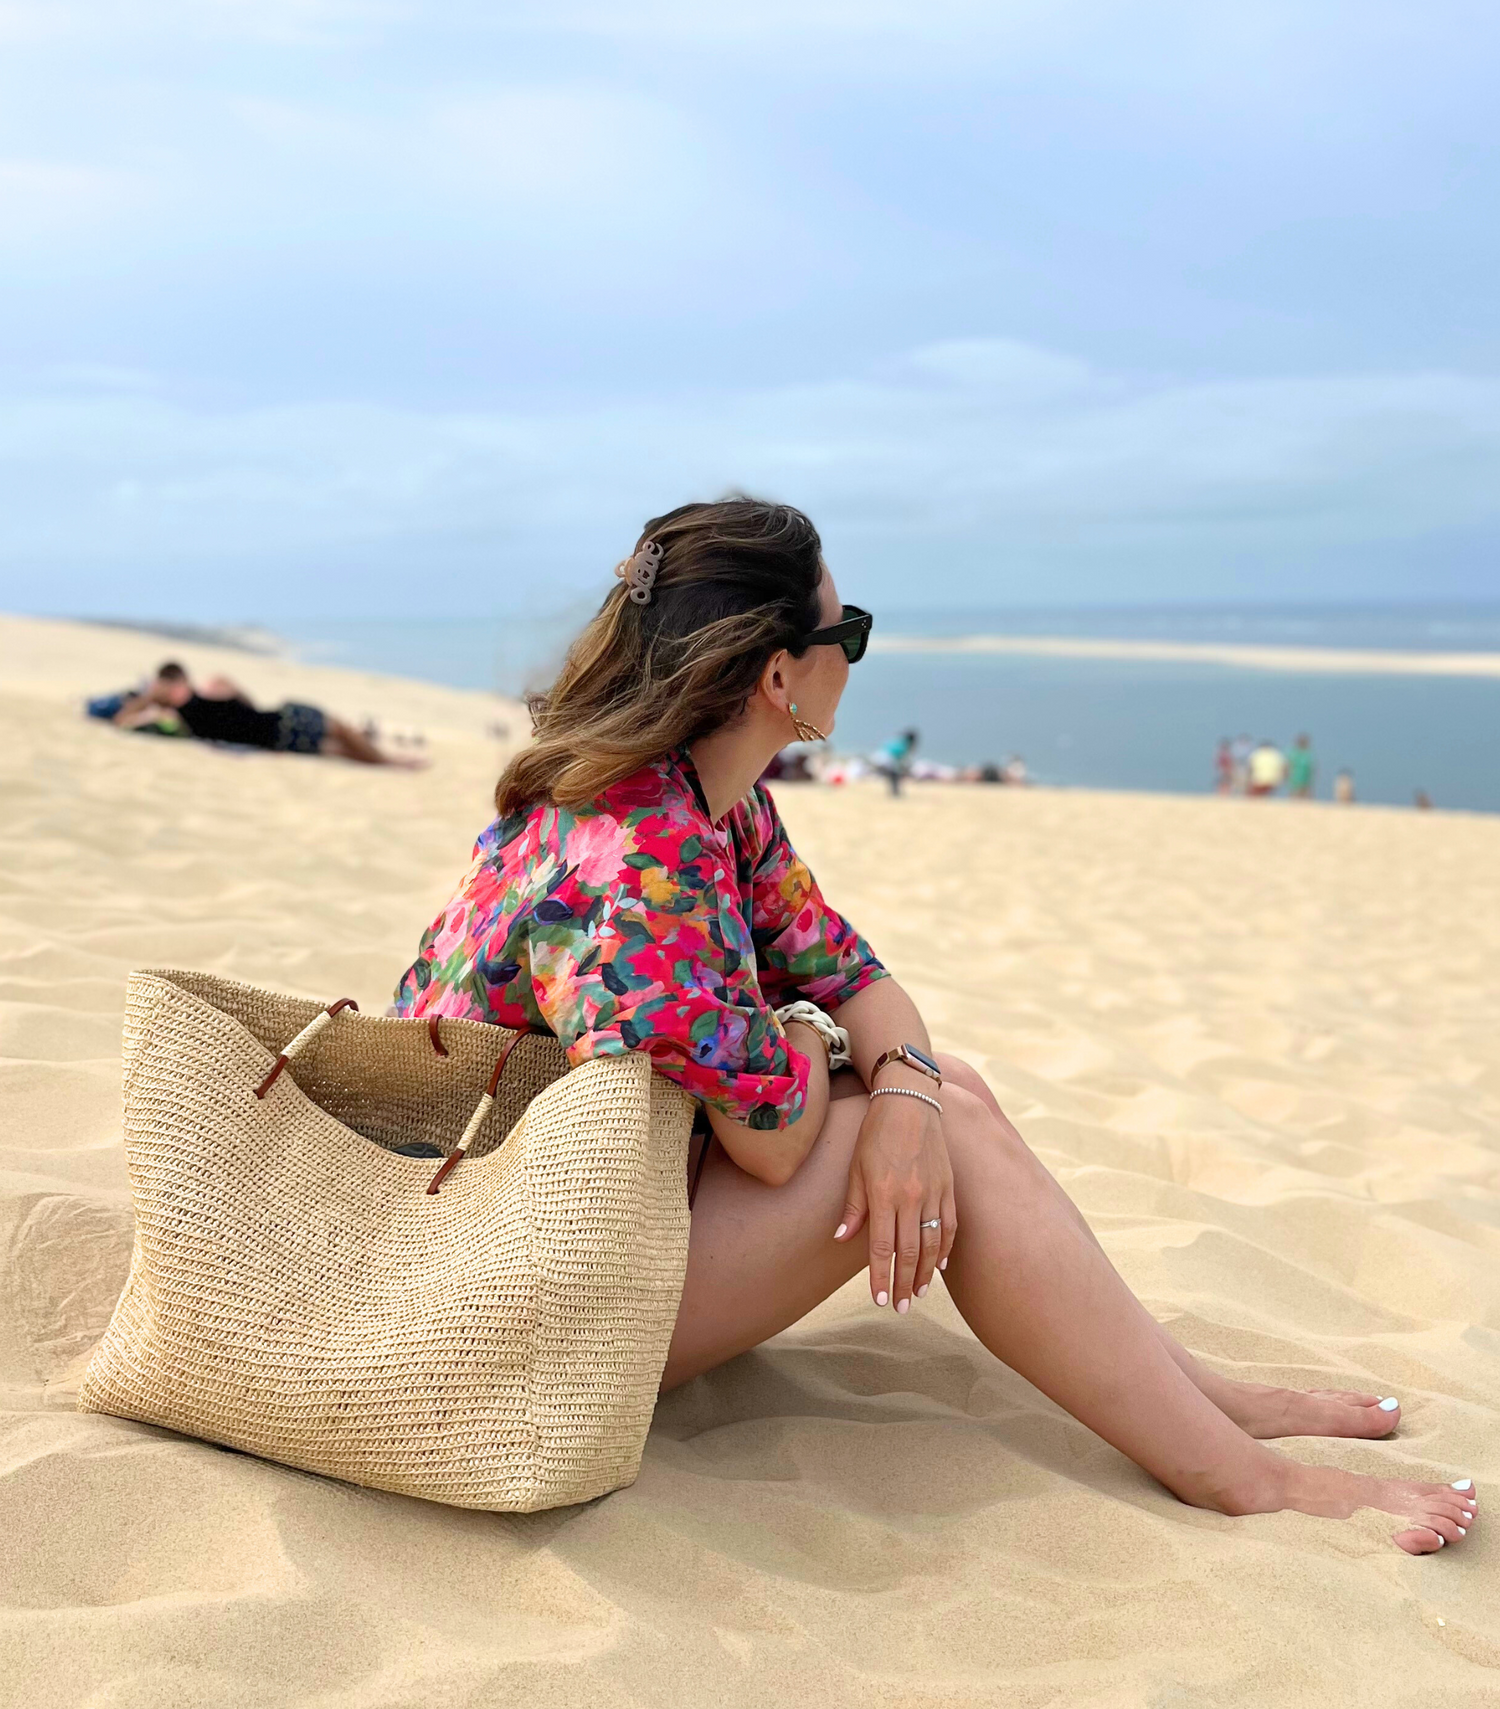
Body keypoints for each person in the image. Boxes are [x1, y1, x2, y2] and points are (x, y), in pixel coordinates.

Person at [391, 496, 1476, 1555]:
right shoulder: (638, 866)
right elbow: (770, 1146)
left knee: (944, 1091)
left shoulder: (711, 806)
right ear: (782, 675)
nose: (856, 653)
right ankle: (1238, 1475)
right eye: (846, 632)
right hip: (507, 1300)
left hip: (577, 1227)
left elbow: (864, 982)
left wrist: (901, 1083)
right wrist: (886, 1092)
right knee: (925, 1116)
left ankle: (1195, 1396)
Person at [113, 663, 419, 765]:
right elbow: (122, 722)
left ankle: (388, 760)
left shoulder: (206, 692)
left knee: (341, 736)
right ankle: (389, 762)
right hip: (277, 730)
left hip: (273, 725)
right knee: (339, 739)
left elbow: (246, 702)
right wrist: (149, 698)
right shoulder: (176, 714)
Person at [877, 726, 919, 797]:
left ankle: (894, 791)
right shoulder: (905, 744)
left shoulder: (898, 740)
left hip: (880, 755)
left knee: (893, 776)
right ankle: (895, 792)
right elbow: (900, 757)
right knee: (895, 775)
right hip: (888, 758)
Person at [1286, 734, 1315, 799]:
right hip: (1295, 781)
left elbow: (1311, 769)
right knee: (1295, 800)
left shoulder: (1307, 754)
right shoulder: (1294, 754)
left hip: (1304, 782)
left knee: (1305, 801)